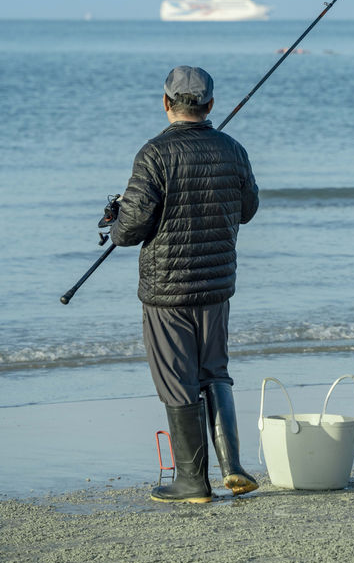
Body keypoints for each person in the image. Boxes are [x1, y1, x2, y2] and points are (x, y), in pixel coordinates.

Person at [110, 65, 260, 504]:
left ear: (165, 103)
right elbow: (248, 208)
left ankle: (193, 482)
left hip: (167, 291)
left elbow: (130, 229)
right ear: (210, 105)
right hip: (216, 286)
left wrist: (115, 220)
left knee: (178, 381)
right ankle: (231, 466)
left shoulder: (154, 154)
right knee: (215, 372)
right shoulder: (233, 149)